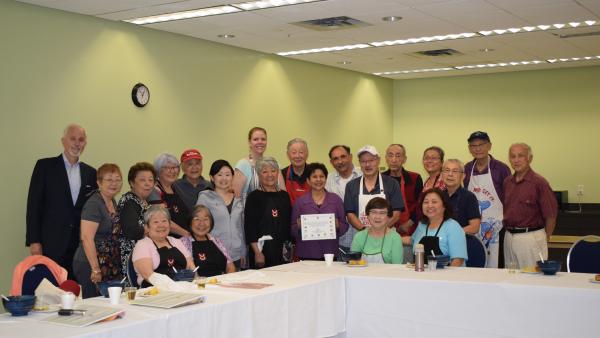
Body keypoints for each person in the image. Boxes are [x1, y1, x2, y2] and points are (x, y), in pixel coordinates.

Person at [26, 124, 97, 278]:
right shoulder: (44, 166)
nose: (77, 143)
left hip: (79, 247)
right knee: (49, 291)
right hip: (51, 244)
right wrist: (34, 241)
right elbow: (33, 206)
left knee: (75, 292)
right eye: (72, 139)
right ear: (63, 141)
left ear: (85, 144)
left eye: (81, 140)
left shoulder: (91, 173)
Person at [73, 164, 124, 298]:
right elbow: (86, 238)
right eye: (109, 179)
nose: (114, 183)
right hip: (90, 263)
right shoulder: (94, 204)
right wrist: (95, 269)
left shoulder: (112, 201)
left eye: (118, 179)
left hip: (108, 262)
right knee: (95, 306)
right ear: (99, 182)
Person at [503, 143, 557, 269]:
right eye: (512, 156)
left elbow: (551, 215)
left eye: (520, 156)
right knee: (511, 278)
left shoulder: (539, 183)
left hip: (530, 238)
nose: (516, 160)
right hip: (509, 237)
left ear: (530, 158)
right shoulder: (507, 182)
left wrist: (545, 237)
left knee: (532, 278)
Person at [463, 131, 511, 268]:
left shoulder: (501, 169)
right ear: (469, 149)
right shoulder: (466, 169)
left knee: (497, 265)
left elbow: (509, 197)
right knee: (476, 265)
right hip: (473, 228)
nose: (477, 148)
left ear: (489, 146)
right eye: (473, 145)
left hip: (498, 227)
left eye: (481, 144)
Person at [291, 163, 349, 260]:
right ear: (308, 180)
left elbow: (345, 225)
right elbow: (292, 229)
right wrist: (299, 226)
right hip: (307, 251)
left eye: (322, 176)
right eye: (314, 177)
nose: (318, 180)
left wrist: (338, 224)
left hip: (330, 251)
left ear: (326, 179)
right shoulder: (300, 202)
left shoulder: (336, 200)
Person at [196, 160, 246, 270]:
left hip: (237, 255)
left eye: (228, 175)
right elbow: (198, 226)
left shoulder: (239, 199)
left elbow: (241, 227)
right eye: (219, 175)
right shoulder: (205, 197)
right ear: (212, 178)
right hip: (214, 253)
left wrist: (243, 252)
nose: (224, 178)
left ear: (232, 177)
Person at [244, 157, 291, 268]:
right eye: (265, 172)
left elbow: (288, 225)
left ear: (277, 173)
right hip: (262, 251)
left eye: (273, 171)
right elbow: (250, 228)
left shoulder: (284, 196)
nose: (270, 175)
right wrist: (257, 253)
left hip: (283, 251)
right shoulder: (253, 197)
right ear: (259, 175)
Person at [344, 145, 404, 232]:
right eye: (363, 161)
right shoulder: (351, 186)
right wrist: (365, 231)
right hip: (362, 235)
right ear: (359, 163)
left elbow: (396, 213)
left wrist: (379, 230)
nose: (367, 164)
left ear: (378, 160)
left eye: (371, 160)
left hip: (386, 234)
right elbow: (350, 214)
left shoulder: (392, 183)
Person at [132, 205, 194, 287]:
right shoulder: (142, 245)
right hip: (154, 291)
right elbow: (148, 275)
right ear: (147, 227)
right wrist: (173, 286)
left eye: (164, 221)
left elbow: (191, 267)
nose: (161, 225)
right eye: (156, 222)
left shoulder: (177, 241)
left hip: (182, 287)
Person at [382, 144, 423, 262]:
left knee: (408, 262)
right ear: (386, 158)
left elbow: (420, 205)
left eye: (398, 156)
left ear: (404, 159)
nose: (394, 159)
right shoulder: (381, 178)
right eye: (390, 155)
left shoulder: (415, 178)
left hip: (410, 229)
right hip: (386, 228)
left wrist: (408, 223)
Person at [117, 162, 155, 276]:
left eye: (151, 180)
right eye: (143, 180)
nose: (148, 183)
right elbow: (132, 230)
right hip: (131, 257)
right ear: (132, 183)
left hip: (142, 255)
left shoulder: (143, 202)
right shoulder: (130, 201)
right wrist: (152, 229)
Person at [412, 188, 467, 266]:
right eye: (426, 202)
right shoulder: (421, 225)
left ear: (444, 206)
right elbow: (411, 240)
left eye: (434, 202)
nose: (429, 205)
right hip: (421, 274)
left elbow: (458, 260)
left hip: (448, 275)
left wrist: (444, 277)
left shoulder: (453, 226)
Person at [325, 145, 362, 254]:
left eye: (343, 156)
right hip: (340, 241)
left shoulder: (364, 175)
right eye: (335, 159)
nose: (340, 161)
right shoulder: (327, 181)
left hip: (364, 237)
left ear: (350, 157)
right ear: (331, 162)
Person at [181, 205, 236, 276]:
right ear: (190, 221)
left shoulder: (217, 241)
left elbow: (231, 267)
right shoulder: (183, 243)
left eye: (206, 219)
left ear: (211, 222)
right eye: (197, 219)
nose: (201, 223)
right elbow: (185, 273)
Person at [232, 127, 284, 198]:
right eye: (256, 139)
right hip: (249, 208)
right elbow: (236, 198)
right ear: (249, 142)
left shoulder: (275, 164)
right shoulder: (242, 165)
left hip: (274, 208)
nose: (260, 142)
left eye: (263, 139)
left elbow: (283, 193)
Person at [148, 153, 191, 238]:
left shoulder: (176, 188)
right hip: (166, 240)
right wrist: (187, 234)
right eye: (167, 168)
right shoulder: (154, 190)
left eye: (174, 167)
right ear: (158, 170)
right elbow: (161, 220)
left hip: (183, 239)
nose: (172, 171)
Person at [350, 197, 403, 264]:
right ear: (368, 215)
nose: (377, 217)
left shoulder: (395, 238)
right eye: (373, 212)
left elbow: (397, 269)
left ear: (388, 216)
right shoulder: (359, 237)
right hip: (362, 274)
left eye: (382, 213)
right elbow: (353, 265)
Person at [441, 159, 481, 235]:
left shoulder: (469, 197)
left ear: (463, 176)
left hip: (461, 242)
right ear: (442, 175)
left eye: (455, 171)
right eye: (447, 170)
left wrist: (452, 233)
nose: (450, 174)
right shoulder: (438, 196)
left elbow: (475, 227)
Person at [281, 138, 310, 205]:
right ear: (288, 155)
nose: (297, 156)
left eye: (301, 152)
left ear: (307, 154)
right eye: (294, 153)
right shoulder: (282, 175)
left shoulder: (314, 173)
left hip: (311, 214)